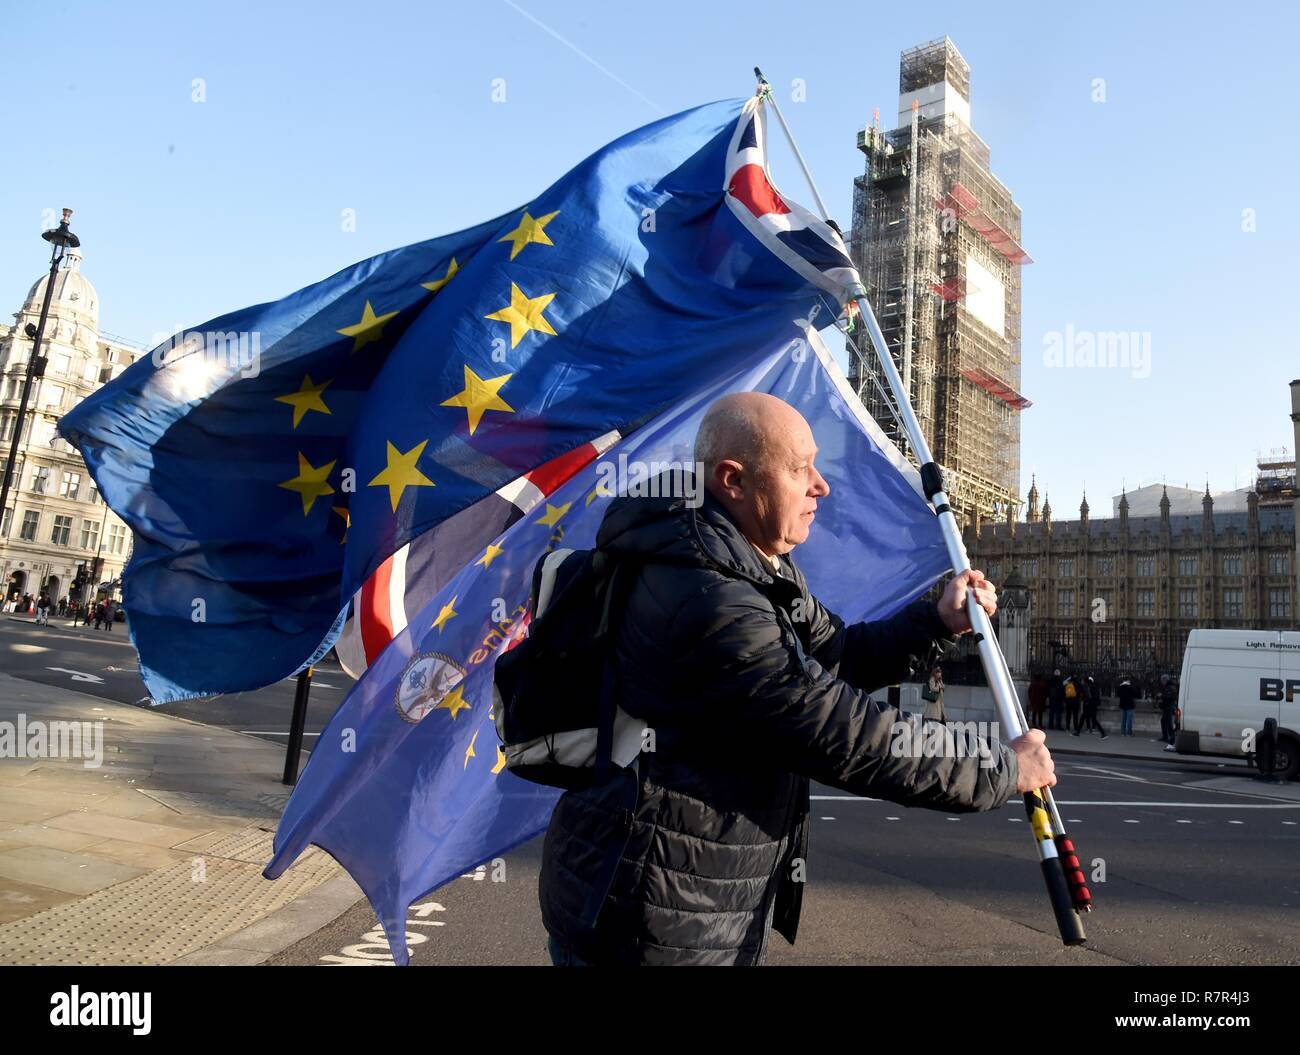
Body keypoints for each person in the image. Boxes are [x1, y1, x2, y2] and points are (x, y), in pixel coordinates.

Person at [538, 392, 1055, 966]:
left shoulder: (752, 566)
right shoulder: (708, 600)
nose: (821, 486)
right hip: (653, 918)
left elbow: (838, 653)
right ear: (732, 479)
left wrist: (934, 621)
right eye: (798, 468)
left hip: (690, 894)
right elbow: (836, 729)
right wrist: (1000, 766)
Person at [1158, 674, 1178, 749]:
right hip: (1167, 706)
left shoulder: (1170, 687)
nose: (1162, 682)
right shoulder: (1169, 686)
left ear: (1165, 680)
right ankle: (1166, 736)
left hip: (1169, 707)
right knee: (1164, 721)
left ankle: (1170, 738)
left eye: (1162, 681)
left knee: (1169, 723)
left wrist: (1161, 696)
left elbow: (1170, 697)